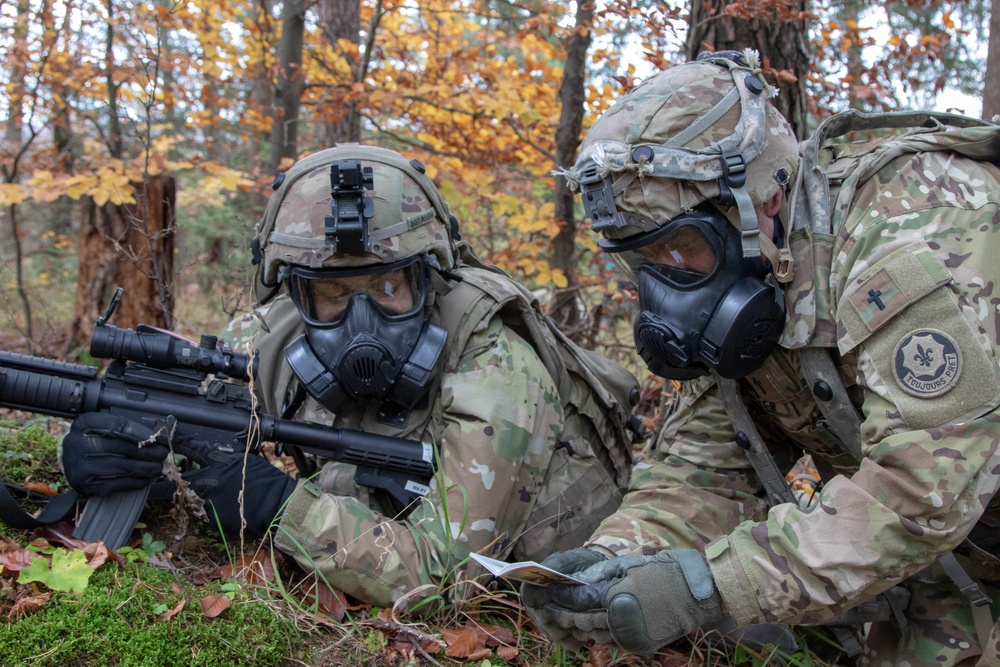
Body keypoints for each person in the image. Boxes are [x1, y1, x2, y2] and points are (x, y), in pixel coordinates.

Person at [521, 49, 1000, 666]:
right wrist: (615, 561)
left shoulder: (910, 224)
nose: (663, 288)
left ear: (761, 203)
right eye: (641, 261)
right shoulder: (755, 270)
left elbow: (923, 487)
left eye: (680, 247)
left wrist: (709, 584)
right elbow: (709, 465)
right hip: (950, 562)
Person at [60, 144, 640, 609]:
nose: (362, 323)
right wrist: (110, 448)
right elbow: (185, 411)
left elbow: (450, 576)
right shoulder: (276, 335)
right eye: (333, 295)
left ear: (430, 277)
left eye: (389, 288)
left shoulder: (495, 363)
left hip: (555, 576)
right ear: (295, 291)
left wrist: (281, 506)